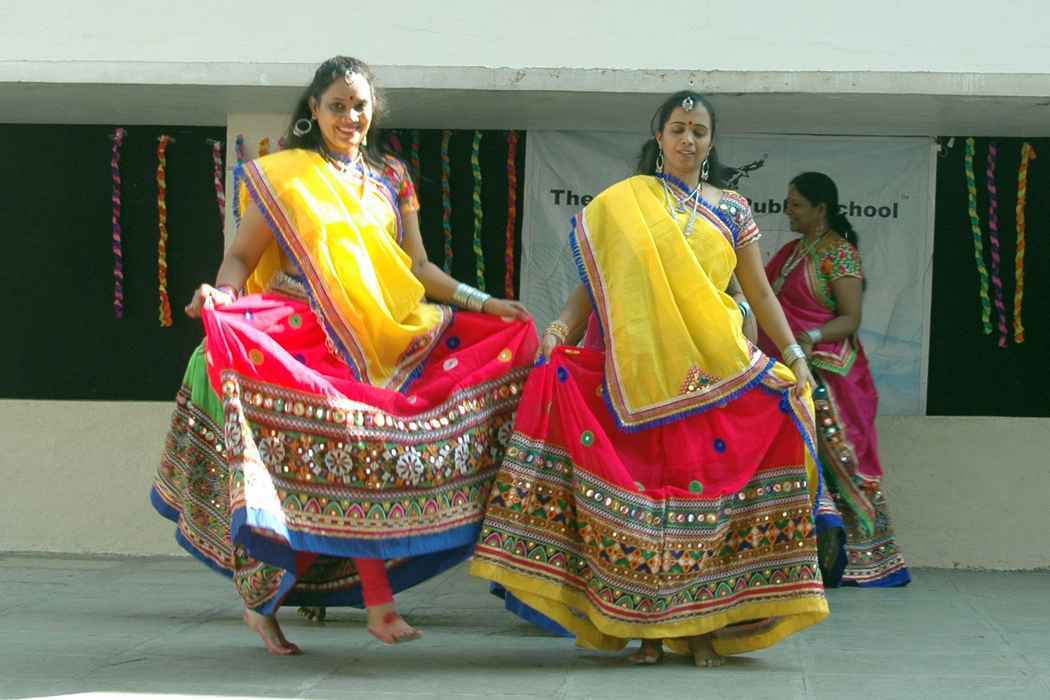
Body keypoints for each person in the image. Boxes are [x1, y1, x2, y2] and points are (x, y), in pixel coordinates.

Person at [151, 56, 537, 655]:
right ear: (314, 109)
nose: (349, 117)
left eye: (359, 106)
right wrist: (223, 295)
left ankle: (270, 602)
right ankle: (371, 608)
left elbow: (418, 267)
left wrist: (484, 303)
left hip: (382, 340)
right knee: (329, 466)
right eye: (337, 105)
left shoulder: (392, 178)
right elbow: (241, 258)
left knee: (361, 465)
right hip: (302, 342)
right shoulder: (285, 175)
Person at [470, 91, 832, 668]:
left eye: (699, 131)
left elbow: (759, 292)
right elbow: (595, 285)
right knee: (646, 509)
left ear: (711, 141)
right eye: (679, 128)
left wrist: (792, 353)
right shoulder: (625, 202)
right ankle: (648, 631)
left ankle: (703, 629)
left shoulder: (733, 209)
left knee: (707, 507)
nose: (689, 139)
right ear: (659, 136)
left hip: (714, 376)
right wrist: (559, 329)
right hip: (638, 381)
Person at [759, 172, 910, 588]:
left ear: (821, 209)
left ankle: (866, 561)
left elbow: (850, 319)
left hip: (833, 377)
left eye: (796, 204)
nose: (788, 210)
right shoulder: (791, 252)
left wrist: (809, 337)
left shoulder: (840, 255)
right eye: (788, 202)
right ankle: (804, 559)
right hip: (790, 371)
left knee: (843, 462)